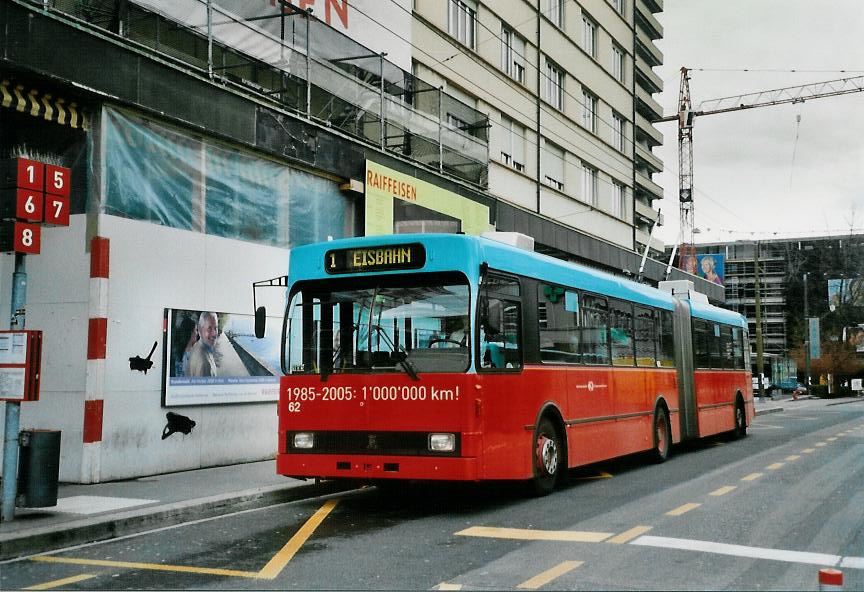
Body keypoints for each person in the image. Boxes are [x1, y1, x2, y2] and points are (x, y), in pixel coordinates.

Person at [187, 311, 219, 377]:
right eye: (209, 328)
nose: (214, 333)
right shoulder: (204, 362)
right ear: (200, 330)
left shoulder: (197, 346)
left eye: (215, 328)